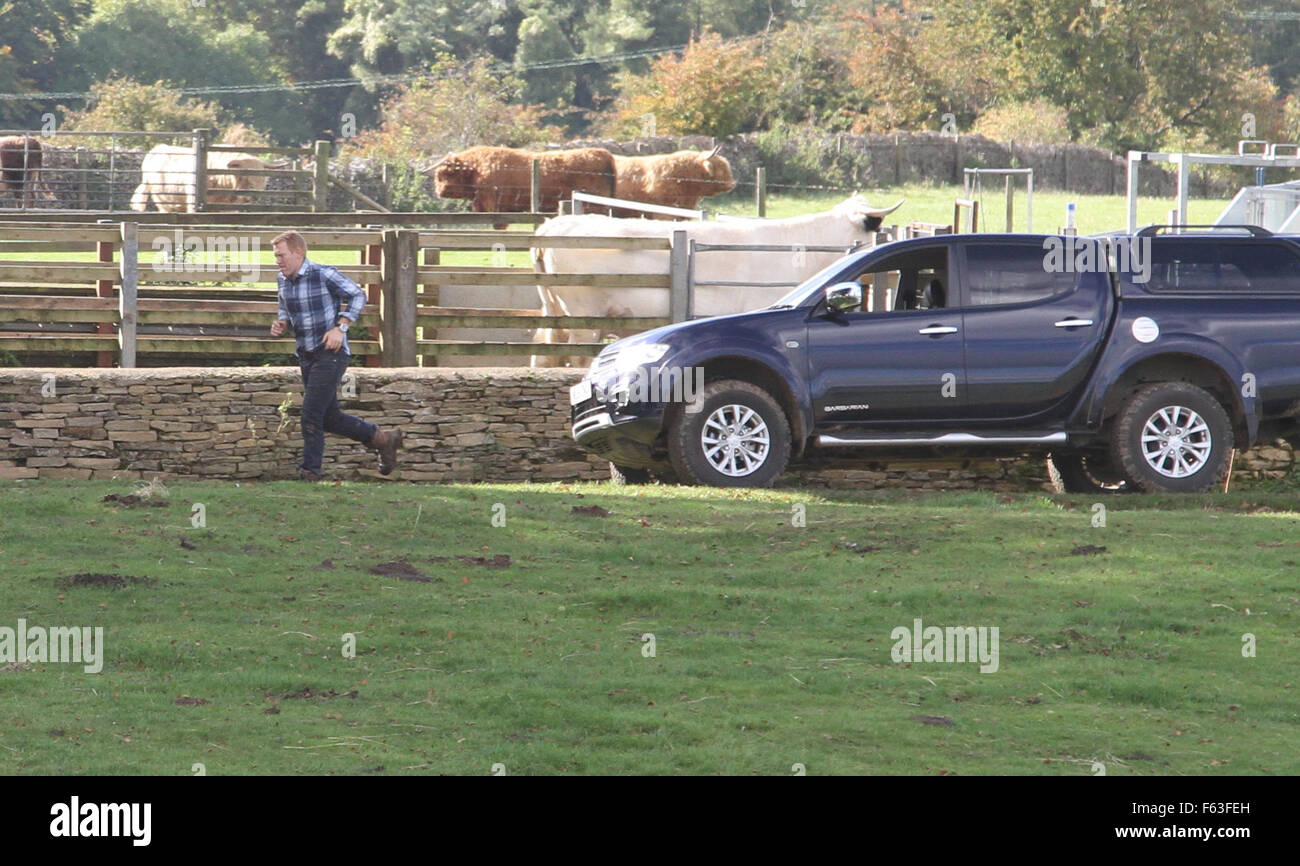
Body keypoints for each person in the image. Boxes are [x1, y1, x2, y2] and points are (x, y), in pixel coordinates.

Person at [269, 230, 402, 480]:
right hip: (306, 354)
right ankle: (384, 439)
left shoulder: (323, 274)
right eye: (276, 256)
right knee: (329, 418)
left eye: (281, 255)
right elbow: (284, 306)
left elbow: (357, 295)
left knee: (310, 413)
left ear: (298, 253)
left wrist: (340, 327)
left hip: (331, 354)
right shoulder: (283, 279)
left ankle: (310, 472)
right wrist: (282, 323)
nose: (278, 260)